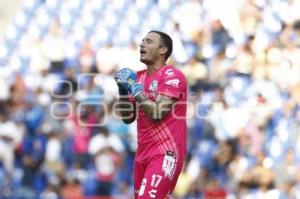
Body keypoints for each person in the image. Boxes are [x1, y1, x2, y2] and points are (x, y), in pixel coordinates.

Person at [114, 30, 187, 198]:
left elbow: (157, 112)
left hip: (165, 153)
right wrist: (123, 91)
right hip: (143, 155)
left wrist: (133, 89)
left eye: (148, 41)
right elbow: (127, 118)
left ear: (163, 49)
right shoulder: (138, 77)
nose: (142, 44)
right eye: (142, 41)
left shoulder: (172, 76)